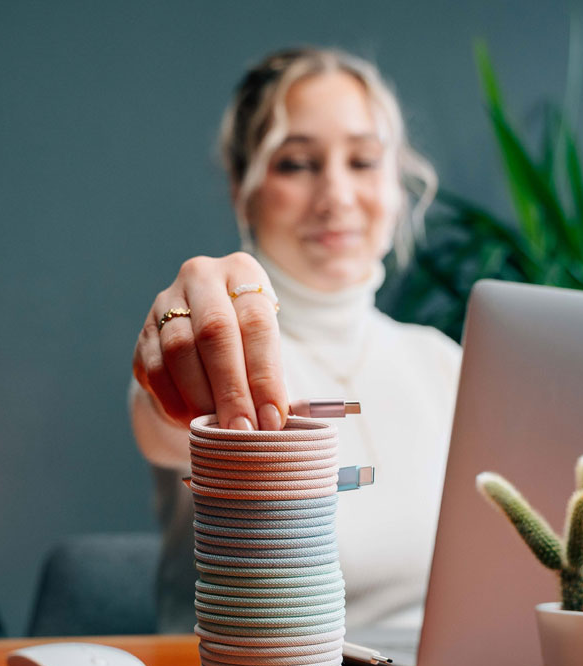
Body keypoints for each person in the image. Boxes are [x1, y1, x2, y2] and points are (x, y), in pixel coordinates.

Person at [130, 47, 460, 632]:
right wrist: (181, 347)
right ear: (243, 187)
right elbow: (163, 416)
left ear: (397, 186)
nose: (337, 197)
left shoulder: (442, 363)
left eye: (363, 161)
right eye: (297, 164)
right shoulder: (221, 351)